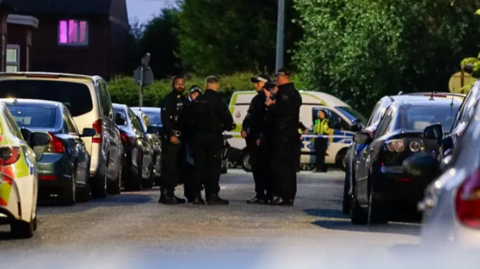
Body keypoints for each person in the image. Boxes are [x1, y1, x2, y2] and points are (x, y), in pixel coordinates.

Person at [189, 76, 235, 205]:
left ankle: (196, 195)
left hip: (198, 138)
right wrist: (225, 126)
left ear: (206, 86)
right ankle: (212, 195)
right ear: (217, 86)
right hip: (214, 138)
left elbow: (188, 120)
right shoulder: (218, 101)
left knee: (198, 166)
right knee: (213, 167)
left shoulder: (198, 100)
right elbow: (228, 120)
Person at [265, 68, 302, 206]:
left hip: (283, 133)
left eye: (277, 77)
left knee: (281, 166)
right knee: (289, 166)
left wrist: (271, 105)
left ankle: (283, 195)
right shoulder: (295, 92)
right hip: (290, 133)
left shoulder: (285, 93)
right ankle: (288, 195)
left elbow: (284, 112)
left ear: (282, 77)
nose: (276, 80)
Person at [241, 74, 273, 204]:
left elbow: (269, 120)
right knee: (256, 168)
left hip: (265, 139)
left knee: (267, 168)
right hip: (253, 138)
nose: (255, 85)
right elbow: (249, 116)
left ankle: (269, 194)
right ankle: (259, 194)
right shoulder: (256, 99)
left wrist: (262, 136)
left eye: (258, 83)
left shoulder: (270, 98)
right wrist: (244, 128)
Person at [158, 75, 188, 205]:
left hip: (181, 139)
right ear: (173, 85)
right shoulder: (168, 100)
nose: (180, 86)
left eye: (182, 83)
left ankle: (171, 193)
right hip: (170, 139)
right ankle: (165, 194)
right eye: (177, 83)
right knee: (168, 167)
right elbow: (165, 119)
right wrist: (171, 134)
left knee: (176, 168)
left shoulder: (185, 100)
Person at [183, 85, 203, 202]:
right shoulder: (187, 106)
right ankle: (191, 192)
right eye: (193, 94)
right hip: (189, 141)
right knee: (190, 167)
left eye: (197, 94)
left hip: (198, 141)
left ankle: (196, 192)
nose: (195, 96)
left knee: (198, 168)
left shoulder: (203, 106)